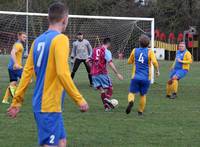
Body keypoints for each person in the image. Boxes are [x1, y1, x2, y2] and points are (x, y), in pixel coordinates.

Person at [7, 2, 89, 147]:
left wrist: (16, 101)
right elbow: (63, 73)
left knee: (61, 142)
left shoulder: (37, 41)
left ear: (48, 18)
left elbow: (26, 74)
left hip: (48, 105)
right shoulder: (61, 39)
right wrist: (79, 99)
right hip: (48, 106)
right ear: (65, 19)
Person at [125, 34, 160, 116]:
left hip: (135, 77)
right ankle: (140, 112)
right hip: (146, 78)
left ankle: (131, 101)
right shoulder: (150, 51)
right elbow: (154, 62)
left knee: (132, 92)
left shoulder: (134, 50)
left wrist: (134, 60)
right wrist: (157, 70)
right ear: (148, 44)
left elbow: (129, 61)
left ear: (139, 43)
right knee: (143, 95)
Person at [88, 38, 123, 111]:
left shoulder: (94, 50)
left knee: (102, 91)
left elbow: (88, 60)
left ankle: (106, 108)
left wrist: (93, 68)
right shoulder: (106, 51)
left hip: (94, 74)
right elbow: (110, 63)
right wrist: (117, 74)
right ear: (109, 44)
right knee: (110, 88)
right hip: (102, 73)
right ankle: (107, 100)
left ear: (102, 43)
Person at [2, 32, 27, 104]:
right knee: (27, 80)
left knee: (13, 83)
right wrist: (16, 63)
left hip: (11, 67)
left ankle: (5, 99)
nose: (25, 38)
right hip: (16, 67)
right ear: (19, 37)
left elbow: (18, 55)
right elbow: (12, 52)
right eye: (23, 37)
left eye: (25, 37)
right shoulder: (18, 45)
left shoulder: (18, 44)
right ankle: (17, 95)